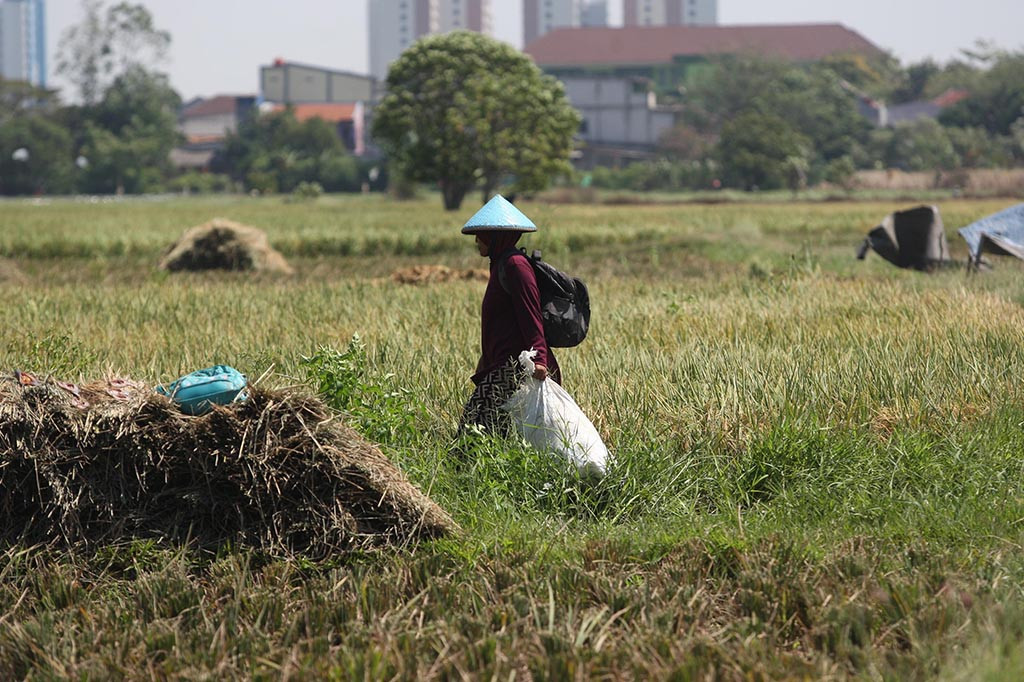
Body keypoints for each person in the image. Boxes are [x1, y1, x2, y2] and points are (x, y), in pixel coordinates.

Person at [455, 194, 560, 439]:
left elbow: (530, 313)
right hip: (500, 363)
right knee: (488, 427)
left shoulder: (515, 266)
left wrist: (541, 359)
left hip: (515, 366)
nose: (477, 242)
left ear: (495, 238)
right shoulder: (500, 263)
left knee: (476, 428)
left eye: (481, 236)